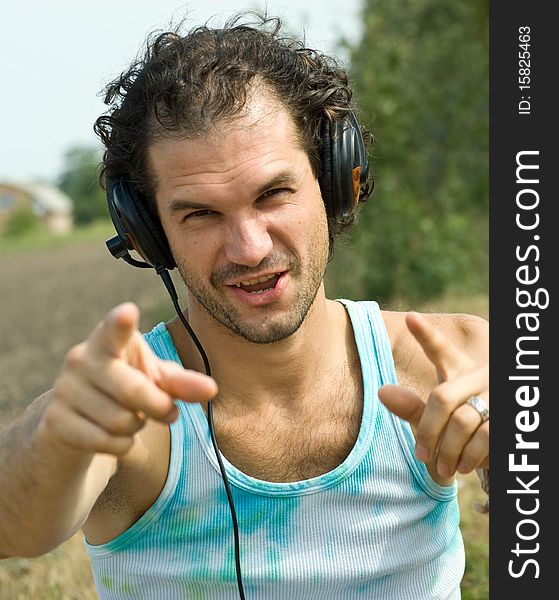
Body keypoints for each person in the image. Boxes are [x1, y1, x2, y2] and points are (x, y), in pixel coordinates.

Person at [0, 13, 488, 599]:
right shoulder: (134, 416)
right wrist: (54, 436)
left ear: (336, 182)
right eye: (200, 214)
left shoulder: (457, 362)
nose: (249, 248)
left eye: (273, 194)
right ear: (148, 234)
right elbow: (14, 524)